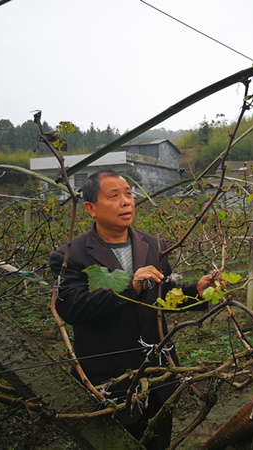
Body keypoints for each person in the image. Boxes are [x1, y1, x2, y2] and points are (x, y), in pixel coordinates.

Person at [50, 169, 213, 449]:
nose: (127, 201)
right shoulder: (70, 255)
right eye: (114, 196)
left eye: (129, 194)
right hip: (108, 384)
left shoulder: (153, 245)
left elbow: (163, 298)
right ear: (90, 208)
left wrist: (194, 292)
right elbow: (72, 308)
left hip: (159, 378)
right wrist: (130, 289)